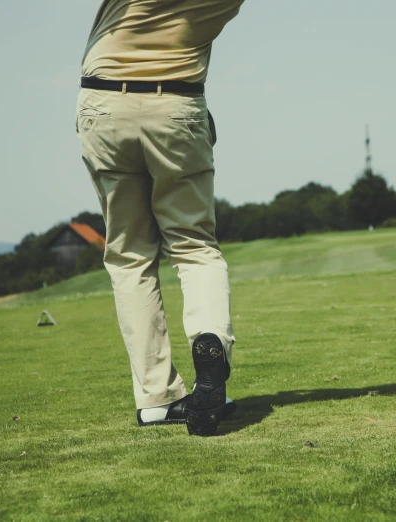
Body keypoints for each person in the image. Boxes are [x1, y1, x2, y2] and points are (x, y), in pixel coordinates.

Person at [75, 0, 244, 436]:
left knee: (129, 256)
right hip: (177, 103)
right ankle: (209, 342)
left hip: (103, 101)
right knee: (194, 246)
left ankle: (156, 399)